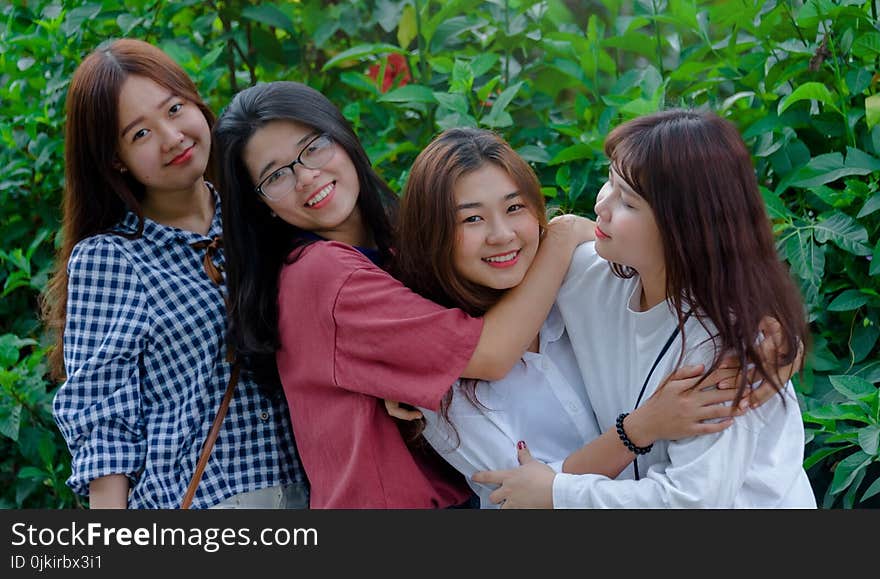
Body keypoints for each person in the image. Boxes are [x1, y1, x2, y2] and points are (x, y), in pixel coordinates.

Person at [211, 81, 594, 508]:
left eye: (313, 147)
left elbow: (454, 332)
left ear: (342, 136)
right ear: (261, 202)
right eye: (276, 175)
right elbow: (489, 353)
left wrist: (411, 382)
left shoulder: (390, 248)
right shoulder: (321, 274)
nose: (307, 177)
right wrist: (561, 237)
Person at [393, 127, 790, 508]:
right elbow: (518, 492)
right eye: (471, 218)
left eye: (515, 207)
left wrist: (781, 337)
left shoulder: (716, 344)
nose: (502, 235)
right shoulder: (440, 372)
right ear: (434, 232)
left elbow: (694, 500)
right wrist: (639, 429)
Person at [44, 39, 308, 509]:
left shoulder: (265, 213)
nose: (171, 137)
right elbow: (102, 423)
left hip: (315, 493)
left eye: (174, 108)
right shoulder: (113, 260)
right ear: (116, 160)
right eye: (139, 134)